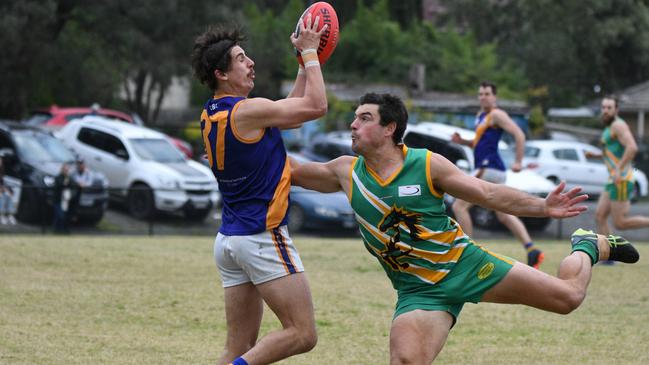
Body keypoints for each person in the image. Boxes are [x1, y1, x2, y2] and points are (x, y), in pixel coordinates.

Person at [291, 92, 639, 364]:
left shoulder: (426, 164)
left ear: (389, 128)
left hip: (465, 265)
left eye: (364, 118)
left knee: (569, 298)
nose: (353, 124)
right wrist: (246, 127)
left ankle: (588, 245)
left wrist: (542, 206)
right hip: (418, 292)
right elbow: (289, 170)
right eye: (354, 118)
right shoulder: (345, 171)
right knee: (405, 360)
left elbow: (487, 192)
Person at [190, 16, 328, 365]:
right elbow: (316, 107)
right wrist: (312, 55)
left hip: (229, 240)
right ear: (222, 74)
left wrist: (301, 64)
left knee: (237, 347)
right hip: (261, 236)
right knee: (302, 333)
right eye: (240, 59)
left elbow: (291, 115)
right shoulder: (246, 111)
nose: (250, 63)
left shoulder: (212, 112)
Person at [450, 81, 544, 268]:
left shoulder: (497, 114)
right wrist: (464, 142)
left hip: (488, 168)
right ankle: (532, 250)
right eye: (480, 94)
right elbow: (480, 143)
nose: (483, 97)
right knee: (503, 214)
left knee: (459, 206)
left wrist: (518, 161)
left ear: (495, 97)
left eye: (486, 93)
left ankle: (468, 255)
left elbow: (519, 134)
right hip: (493, 170)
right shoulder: (481, 116)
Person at [587, 96, 649, 237]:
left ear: (616, 110)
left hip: (621, 178)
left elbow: (632, 147)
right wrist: (595, 155)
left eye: (609, 108)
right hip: (613, 179)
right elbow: (612, 152)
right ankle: (609, 255)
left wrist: (618, 170)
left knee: (620, 223)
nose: (605, 111)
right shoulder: (609, 128)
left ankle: (610, 254)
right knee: (600, 216)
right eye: (603, 107)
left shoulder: (618, 125)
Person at [53, 163, 76, 233]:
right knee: (60, 215)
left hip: (65, 200)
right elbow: (60, 185)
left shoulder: (69, 178)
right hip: (58, 200)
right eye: (65, 170)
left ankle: (61, 230)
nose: (66, 171)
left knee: (63, 216)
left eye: (67, 170)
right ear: (62, 170)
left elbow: (73, 185)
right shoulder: (58, 177)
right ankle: (57, 230)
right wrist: (65, 183)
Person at [0, 157, 16, 225]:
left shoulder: (2, 173)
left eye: (0, 160)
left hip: (1, 190)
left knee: (8, 195)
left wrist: (9, 191)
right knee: (1, 196)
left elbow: (3, 184)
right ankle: (2, 216)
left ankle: (10, 215)